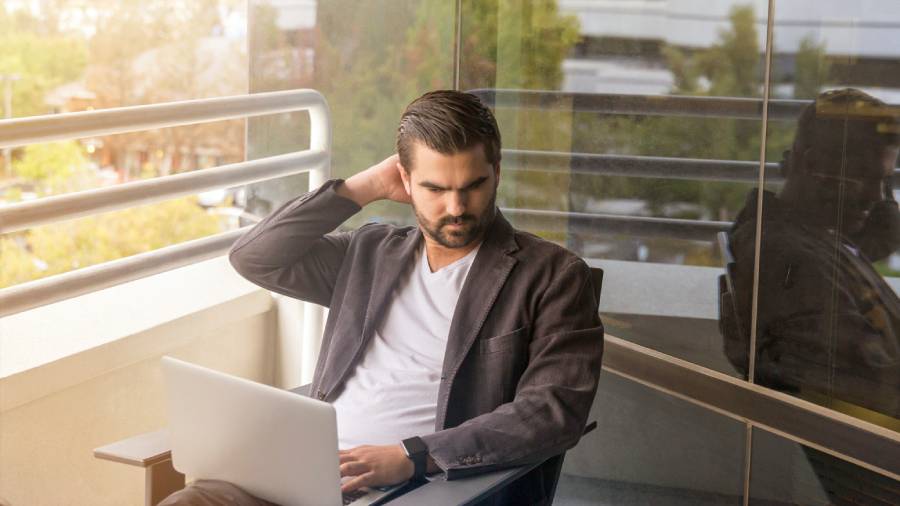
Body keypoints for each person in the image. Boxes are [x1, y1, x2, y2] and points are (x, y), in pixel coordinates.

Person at [161, 90, 604, 506]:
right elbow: (255, 258)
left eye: (473, 185)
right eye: (435, 188)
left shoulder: (552, 276)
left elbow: (552, 412)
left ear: (498, 173)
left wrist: (413, 456)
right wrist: (361, 188)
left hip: (420, 487)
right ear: (405, 180)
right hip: (309, 471)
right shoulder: (371, 252)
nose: (456, 207)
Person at [721, 88, 900, 501]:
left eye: (884, 183)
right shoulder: (792, 261)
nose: (876, 197)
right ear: (810, 165)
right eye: (867, 179)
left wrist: (865, 245)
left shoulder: (807, 237)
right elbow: (874, 389)